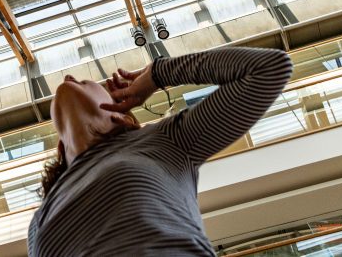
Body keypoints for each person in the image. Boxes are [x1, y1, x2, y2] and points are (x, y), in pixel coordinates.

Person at [28, 45, 293, 256]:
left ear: (121, 117)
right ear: (60, 146)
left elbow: (270, 68)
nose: (69, 77)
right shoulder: (39, 221)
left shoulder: (163, 140)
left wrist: (158, 74)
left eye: (85, 81)